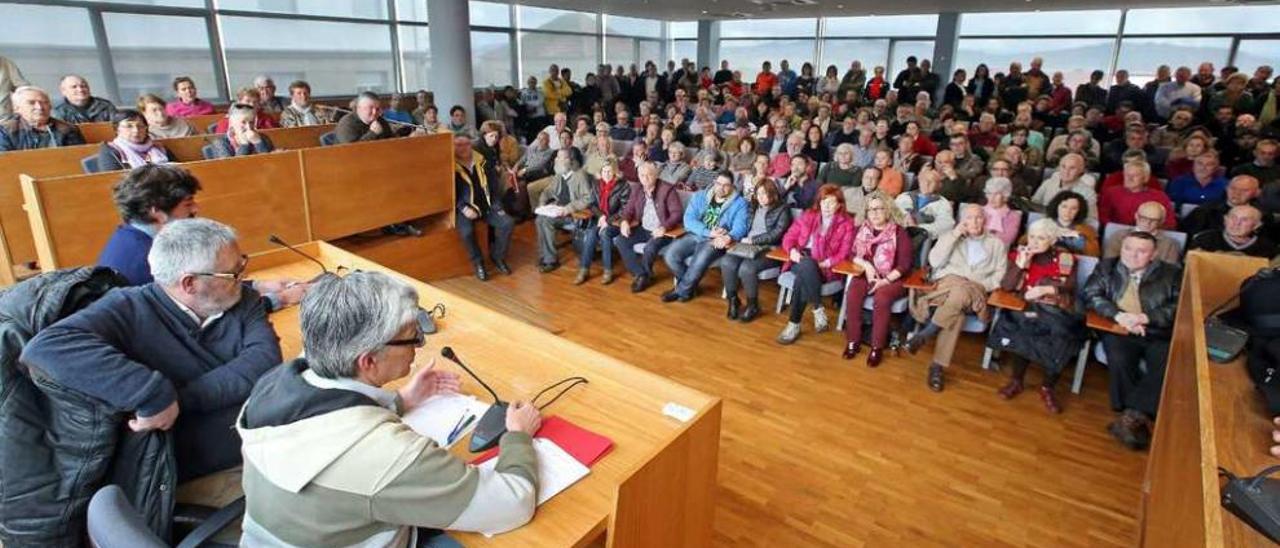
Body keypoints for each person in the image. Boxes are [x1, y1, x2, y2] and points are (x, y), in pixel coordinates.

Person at [237, 270, 543, 546]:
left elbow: (326, 427)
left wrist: (401, 401)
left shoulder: (273, 384)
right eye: (412, 338)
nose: (419, 346)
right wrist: (518, 436)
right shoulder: (387, 454)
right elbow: (511, 504)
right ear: (368, 360)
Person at [22, 218, 283, 482]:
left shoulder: (241, 298)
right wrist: (152, 394)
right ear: (189, 283)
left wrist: (176, 401)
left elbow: (263, 362)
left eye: (241, 265)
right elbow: (47, 347)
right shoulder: (126, 307)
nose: (242, 278)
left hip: (250, 442)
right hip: (176, 471)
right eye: (232, 273)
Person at [1083, 231, 1182, 450]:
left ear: (1154, 254)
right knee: (1118, 357)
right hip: (1119, 327)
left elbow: (1177, 306)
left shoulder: (1172, 273)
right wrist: (1120, 316)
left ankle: (1130, 415)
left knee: (1165, 362)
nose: (1132, 255)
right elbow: (1091, 294)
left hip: (1156, 330)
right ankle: (1135, 416)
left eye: (1141, 251)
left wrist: (1146, 318)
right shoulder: (1107, 267)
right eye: (1128, 248)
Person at [905, 204, 1008, 392]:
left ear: (984, 220)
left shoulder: (996, 244)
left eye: (978, 217)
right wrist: (954, 236)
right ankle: (936, 367)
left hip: (975, 291)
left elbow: (1000, 275)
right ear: (963, 221)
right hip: (946, 287)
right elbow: (934, 261)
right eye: (969, 218)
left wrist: (983, 285)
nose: (974, 222)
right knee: (956, 315)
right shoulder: (951, 237)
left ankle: (926, 333)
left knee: (962, 291)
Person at [989, 219, 1085, 414]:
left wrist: (1044, 288)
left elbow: (1070, 286)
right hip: (1026, 307)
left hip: (1054, 309)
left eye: (1041, 238)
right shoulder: (1019, 254)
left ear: (1051, 240)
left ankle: (1047, 387)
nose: (1034, 241)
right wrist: (1020, 266)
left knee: (1059, 334)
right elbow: (1006, 286)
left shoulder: (1064, 257)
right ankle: (1017, 380)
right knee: (1023, 326)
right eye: (1032, 236)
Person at [775, 184, 854, 344]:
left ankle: (794, 325)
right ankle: (817, 308)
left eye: (831, 202)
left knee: (801, 280)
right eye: (824, 201)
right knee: (807, 264)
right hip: (800, 258)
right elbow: (789, 237)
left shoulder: (846, 223)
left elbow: (845, 252)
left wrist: (827, 263)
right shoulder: (808, 215)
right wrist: (792, 251)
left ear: (839, 205)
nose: (826, 206)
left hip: (826, 266)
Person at [842, 193, 913, 366]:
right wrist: (867, 266)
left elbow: (904, 265)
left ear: (888, 210)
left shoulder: (899, 232)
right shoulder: (863, 229)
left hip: (894, 278)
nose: (874, 213)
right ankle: (853, 341)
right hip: (868, 274)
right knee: (853, 293)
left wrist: (885, 280)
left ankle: (877, 347)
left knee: (882, 298)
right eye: (871, 209)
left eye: (879, 208)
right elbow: (852, 255)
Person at [661, 172, 749, 303]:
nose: (721, 188)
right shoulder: (700, 196)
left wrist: (728, 236)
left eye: (726, 185)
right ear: (714, 182)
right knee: (670, 255)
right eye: (719, 184)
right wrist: (708, 232)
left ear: (731, 187)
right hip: (698, 234)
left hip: (717, 241)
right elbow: (688, 220)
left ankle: (681, 291)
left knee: (699, 260)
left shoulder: (740, 203)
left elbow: (741, 227)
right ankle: (689, 287)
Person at [721, 182, 792, 323]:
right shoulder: (753, 207)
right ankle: (733, 300)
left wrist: (754, 240)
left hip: (769, 248)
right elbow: (744, 225)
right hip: (747, 244)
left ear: (773, 194)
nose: (760, 197)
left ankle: (753, 305)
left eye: (764, 193)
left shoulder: (783, 209)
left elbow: (777, 234)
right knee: (727, 262)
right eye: (758, 194)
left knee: (747, 268)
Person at [614, 162, 683, 293]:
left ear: (656, 175)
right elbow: (628, 210)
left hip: (663, 231)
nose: (645, 178)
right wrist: (624, 222)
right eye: (641, 175)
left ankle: (642, 278)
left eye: (649, 175)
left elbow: (677, 213)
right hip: (644, 228)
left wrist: (664, 227)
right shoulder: (638, 188)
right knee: (620, 240)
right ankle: (642, 274)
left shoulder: (667, 189)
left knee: (649, 248)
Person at [454, 134, 513, 281]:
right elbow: (449, 193)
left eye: (466, 144)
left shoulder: (482, 160)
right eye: (458, 145)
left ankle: (498, 256)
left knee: (507, 223)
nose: (463, 148)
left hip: (487, 204)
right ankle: (478, 262)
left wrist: (498, 206)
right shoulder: (449, 165)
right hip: (465, 208)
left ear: (471, 145)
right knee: (466, 232)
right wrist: (463, 208)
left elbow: (494, 187)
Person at [534, 149, 594, 274]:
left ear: (568, 160)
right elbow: (548, 191)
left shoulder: (580, 175)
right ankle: (545, 254)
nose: (556, 160)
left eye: (559, 158)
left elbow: (588, 198)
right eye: (557, 157)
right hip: (558, 210)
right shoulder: (559, 174)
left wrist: (569, 208)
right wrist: (542, 202)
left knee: (546, 222)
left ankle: (551, 260)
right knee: (539, 219)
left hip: (573, 214)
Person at [578, 158, 630, 285]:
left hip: (617, 222)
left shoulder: (623, 185)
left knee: (605, 234)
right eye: (604, 171)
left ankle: (608, 270)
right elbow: (592, 204)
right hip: (601, 220)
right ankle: (584, 269)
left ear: (615, 172)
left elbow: (625, 209)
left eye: (609, 171)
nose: (606, 174)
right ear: (600, 172)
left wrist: (608, 220)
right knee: (591, 233)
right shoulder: (596, 184)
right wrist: (601, 216)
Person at [0, 86, 85, 152]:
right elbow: (5, 161)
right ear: (17, 108)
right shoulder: (5, 130)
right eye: (31, 103)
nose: (39, 107)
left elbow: (77, 158)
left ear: (50, 106)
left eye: (44, 102)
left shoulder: (68, 129)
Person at [1099, 161, 1176, 228]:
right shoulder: (1111, 192)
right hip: (1116, 232)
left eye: (1135, 175)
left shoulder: (1159, 196)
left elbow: (1170, 223)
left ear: (1145, 178)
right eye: (1127, 175)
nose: (1129, 178)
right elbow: (1102, 217)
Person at [1182, 175, 1264, 237]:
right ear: (1226, 188)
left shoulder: (1263, 215)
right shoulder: (1205, 211)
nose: (1237, 193)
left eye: (1244, 190)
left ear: (1256, 193)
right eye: (1233, 188)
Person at [1104, 201, 1183, 264]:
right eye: (1143, 218)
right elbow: (1108, 264)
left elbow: (1169, 273)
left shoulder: (1170, 245)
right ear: (1136, 216)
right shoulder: (1119, 236)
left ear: (1161, 221)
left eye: (1153, 220)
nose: (1148, 223)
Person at [1189, 204, 1277, 258]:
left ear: (1256, 225)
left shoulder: (1267, 248)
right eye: (1233, 218)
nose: (1236, 223)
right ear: (1225, 220)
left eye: (1244, 220)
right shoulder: (1205, 239)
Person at [95, 110, 172, 171]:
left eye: (140, 126)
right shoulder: (110, 151)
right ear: (116, 129)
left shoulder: (158, 147)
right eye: (129, 126)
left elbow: (176, 169)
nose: (136, 130)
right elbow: (114, 181)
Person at [335, 92, 425, 143]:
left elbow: (391, 141)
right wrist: (373, 133)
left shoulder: (380, 121)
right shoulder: (347, 123)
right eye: (370, 108)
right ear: (359, 108)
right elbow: (351, 151)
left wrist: (408, 138)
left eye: (377, 109)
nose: (374, 112)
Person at [1032, 153, 1098, 221]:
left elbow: (1092, 220)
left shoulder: (1088, 193)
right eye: (1063, 166)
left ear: (1081, 170)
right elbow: (1033, 205)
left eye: (1072, 168)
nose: (1066, 171)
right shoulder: (1048, 183)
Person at [896, 168, 956, 239]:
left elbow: (946, 226)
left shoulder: (942, 203)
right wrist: (905, 217)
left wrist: (918, 227)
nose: (926, 184)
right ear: (919, 182)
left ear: (937, 185)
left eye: (931, 182)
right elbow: (891, 212)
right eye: (923, 181)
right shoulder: (905, 196)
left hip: (921, 239)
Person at [206, 103, 274, 159]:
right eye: (243, 122)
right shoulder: (220, 143)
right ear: (232, 123)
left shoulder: (263, 138)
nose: (248, 127)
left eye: (251, 122)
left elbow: (272, 163)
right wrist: (244, 145)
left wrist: (259, 143)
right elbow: (231, 170)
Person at [982, 177, 1022, 248]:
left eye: (997, 194)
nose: (992, 197)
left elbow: (1008, 239)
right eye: (989, 193)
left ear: (1005, 196)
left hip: (1000, 250)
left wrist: (982, 234)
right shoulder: (979, 211)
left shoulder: (1014, 216)